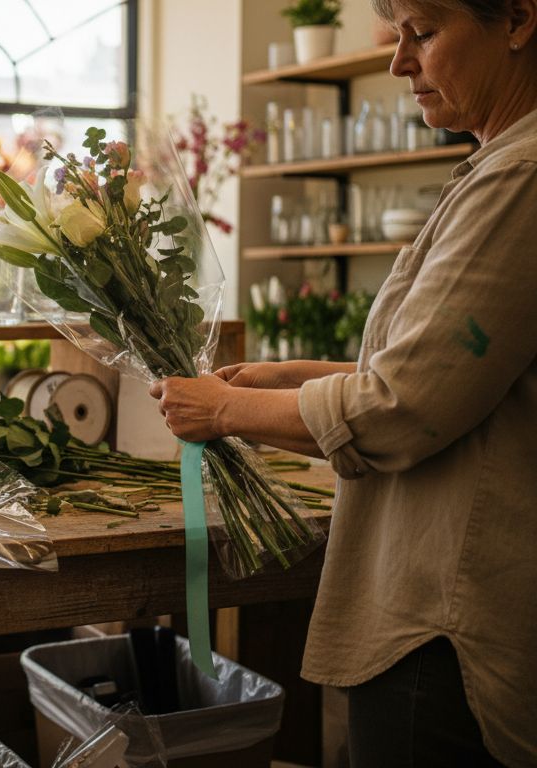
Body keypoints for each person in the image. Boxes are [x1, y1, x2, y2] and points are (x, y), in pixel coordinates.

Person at [150, 1, 536, 763]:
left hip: (443, 619)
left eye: (424, 32)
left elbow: (402, 408)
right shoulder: (497, 167)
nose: (398, 61)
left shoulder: (521, 178)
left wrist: (226, 410)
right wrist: (279, 379)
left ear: (519, 20)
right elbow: (435, 376)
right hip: (434, 604)